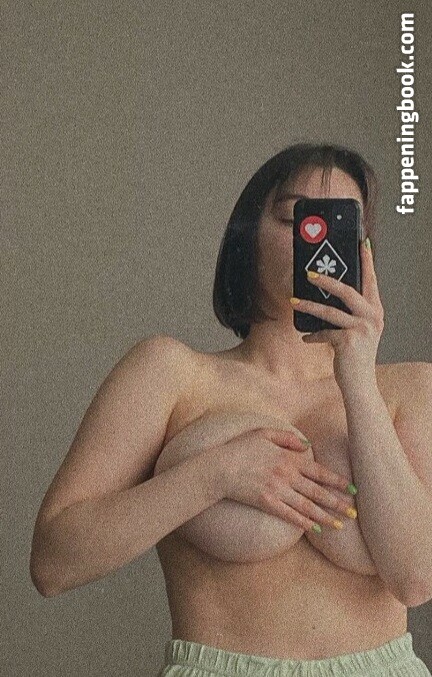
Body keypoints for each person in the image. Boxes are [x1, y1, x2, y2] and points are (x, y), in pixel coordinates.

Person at [30, 143, 432, 676]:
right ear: (247, 237)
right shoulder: (170, 375)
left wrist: (357, 378)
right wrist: (214, 475)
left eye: (340, 224)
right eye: (296, 218)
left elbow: (416, 578)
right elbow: (53, 563)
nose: (316, 243)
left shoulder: (410, 387)